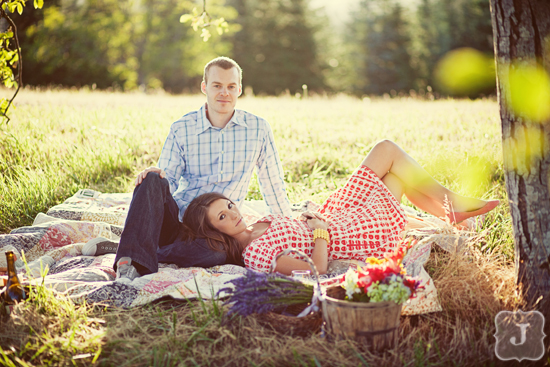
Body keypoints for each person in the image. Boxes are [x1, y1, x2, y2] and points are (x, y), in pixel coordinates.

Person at [181, 140, 499, 275]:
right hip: (348, 234)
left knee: (387, 159)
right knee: (392, 170)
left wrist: (310, 218)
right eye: (223, 217)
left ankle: (447, 211)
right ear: (214, 231)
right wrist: (320, 230)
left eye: (230, 206)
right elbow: (316, 269)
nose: (234, 214)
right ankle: (449, 207)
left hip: (335, 214)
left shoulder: (253, 224)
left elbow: (293, 230)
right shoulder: (254, 254)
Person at [109, 56, 292, 281]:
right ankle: (130, 259)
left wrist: (290, 226)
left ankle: (133, 246)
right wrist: (156, 175)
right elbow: (169, 180)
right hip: (179, 223)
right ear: (205, 87)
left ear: (239, 90)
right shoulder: (182, 128)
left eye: (231, 87)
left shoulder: (258, 129)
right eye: (217, 86)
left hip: (217, 232)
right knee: (152, 178)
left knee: (216, 254)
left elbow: (272, 183)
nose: (224, 92)